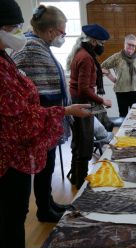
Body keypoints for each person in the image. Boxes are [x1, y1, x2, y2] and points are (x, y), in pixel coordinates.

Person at [0, 0, 91, 248]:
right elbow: (21, 109)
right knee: (13, 208)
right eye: (10, 27)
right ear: (51, 30)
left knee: (14, 207)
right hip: (14, 143)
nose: (16, 31)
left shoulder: (6, 56)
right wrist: (61, 111)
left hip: (28, 131)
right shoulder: (23, 51)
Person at [11, 4, 71, 223]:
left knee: (49, 165)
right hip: (40, 120)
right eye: (62, 32)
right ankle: (44, 210)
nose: (63, 36)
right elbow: (28, 89)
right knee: (44, 167)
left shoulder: (41, 45)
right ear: (50, 31)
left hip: (49, 119)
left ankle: (48, 203)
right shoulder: (30, 48)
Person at [66, 24, 112, 189]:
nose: (102, 46)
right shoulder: (86, 58)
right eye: (101, 42)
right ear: (93, 41)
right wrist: (102, 101)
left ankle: (75, 178)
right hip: (82, 104)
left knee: (78, 142)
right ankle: (81, 184)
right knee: (84, 145)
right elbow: (84, 89)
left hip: (78, 102)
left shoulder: (81, 53)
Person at [102, 34, 136, 117]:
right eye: (129, 44)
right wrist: (113, 79)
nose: (131, 47)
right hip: (121, 91)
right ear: (124, 44)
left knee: (135, 116)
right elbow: (103, 67)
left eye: (133, 45)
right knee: (123, 115)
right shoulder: (117, 57)